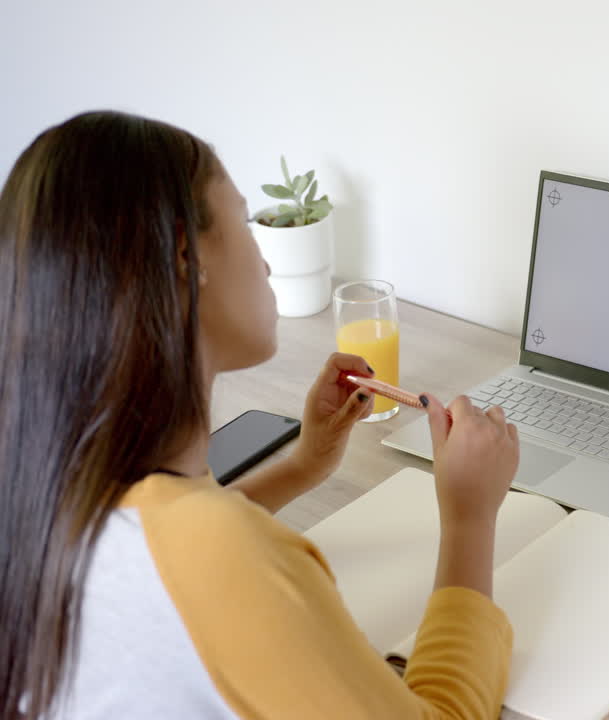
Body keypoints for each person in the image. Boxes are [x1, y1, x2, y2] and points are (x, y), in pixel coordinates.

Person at [0, 111, 520, 719]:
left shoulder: (46, 492)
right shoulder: (226, 556)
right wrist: (469, 517)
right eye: (246, 224)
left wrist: (304, 466)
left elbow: (166, 549)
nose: (268, 264)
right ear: (186, 257)